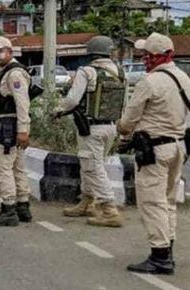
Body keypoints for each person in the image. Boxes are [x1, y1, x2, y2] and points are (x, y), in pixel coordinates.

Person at [118, 33, 189, 275]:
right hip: (179, 146)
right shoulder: (183, 78)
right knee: (168, 200)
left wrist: (123, 133)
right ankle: (167, 247)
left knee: (152, 201)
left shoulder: (149, 82)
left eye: (146, 55)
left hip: (154, 150)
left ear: (155, 56)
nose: (143, 58)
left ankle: (160, 256)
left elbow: (129, 119)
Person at [58, 36, 124, 227]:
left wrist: (58, 109)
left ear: (91, 53)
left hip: (91, 128)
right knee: (90, 164)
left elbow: (72, 100)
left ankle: (109, 209)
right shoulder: (119, 71)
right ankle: (87, 202)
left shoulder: (87, 71)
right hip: (111, 127)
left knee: (94, 168)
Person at [0, 37, 33, 227]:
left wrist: (22, 130)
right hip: (11, 124)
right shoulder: (7, 71)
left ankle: (9, 209)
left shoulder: (14, 74)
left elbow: (22, 103)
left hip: (9, 125)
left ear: (10, 52)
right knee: (17, 167)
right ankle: (23, 206)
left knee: (2, 167)